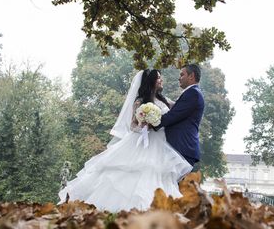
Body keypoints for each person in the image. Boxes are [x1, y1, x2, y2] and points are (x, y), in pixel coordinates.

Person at [59, 69, 192, 212]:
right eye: (158, 78)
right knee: (130, 173)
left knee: (156, 172)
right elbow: (132, 126)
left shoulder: (164, 100)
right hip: (141, 142)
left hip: (160, 143)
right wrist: (144, 124)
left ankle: (159, 208)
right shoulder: (140, 101)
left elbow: (179, 109)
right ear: (151, 81)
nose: (161, 80)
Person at [155, 64, 205, 169]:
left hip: (182, 148)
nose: (179, 78)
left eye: (182, 75)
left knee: (172, 183)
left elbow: (172, 116)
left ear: (191, 76)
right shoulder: (191, 93)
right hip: (179, 148)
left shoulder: (193, 93)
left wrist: (152, 123)